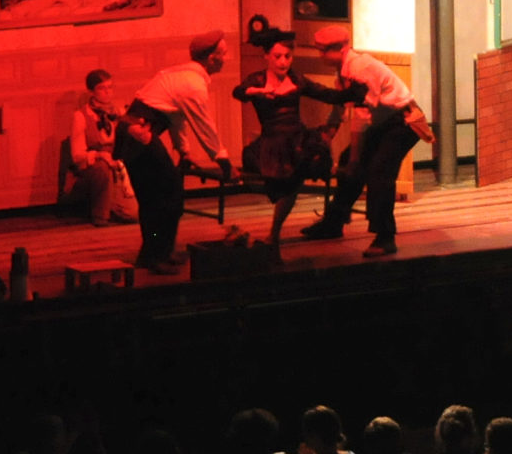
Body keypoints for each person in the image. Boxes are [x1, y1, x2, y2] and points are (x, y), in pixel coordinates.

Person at [297, 23, 422, 257]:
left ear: (341, 49)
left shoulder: (360, 69)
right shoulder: (344, 70)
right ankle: (334, 222)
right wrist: (329, 134)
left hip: (403, 122)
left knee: (378, 174)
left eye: (325, 50)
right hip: (383, 121)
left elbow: (361, 120)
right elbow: (344, 105)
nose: (321, 55)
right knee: (348, 163)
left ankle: (385, 237)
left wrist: (356, 158)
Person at [117, 31, 234, 273]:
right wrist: (224, 162)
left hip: (137, 133)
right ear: (211, 58)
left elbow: (176, 116)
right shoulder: (192, 83)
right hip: (140, 135)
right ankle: (156, 255)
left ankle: (155, 253)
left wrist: (184, 151)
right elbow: (204, 126)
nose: (226, 58)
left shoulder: (181, 75)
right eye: (223, 54)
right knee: (167, 197)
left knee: (156, 199)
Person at [229, 25, 338, 245]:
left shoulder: (296, 79)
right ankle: (274, 234)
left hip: (297, 139)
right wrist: (259, 92)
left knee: (304, 167)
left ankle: (275, 234)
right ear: (266, 56)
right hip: (272, 141)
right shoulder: (258, 79)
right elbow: (238, 92)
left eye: (288, 56)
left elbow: (324, 93)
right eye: (277, 56)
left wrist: (350, 93)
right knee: (284, 178)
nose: (283, 62)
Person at [66, 68, 136, 225]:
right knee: (102, 169)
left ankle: (117, 203)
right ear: (91, 91)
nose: (107, 92)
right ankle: (100, 214)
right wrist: (100, 155)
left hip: (117, 167)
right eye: (102, 88)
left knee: (133, 215)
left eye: (110, 87)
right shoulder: (81, 116)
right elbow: (77, 156)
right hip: (93, 169)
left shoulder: (118, 112)